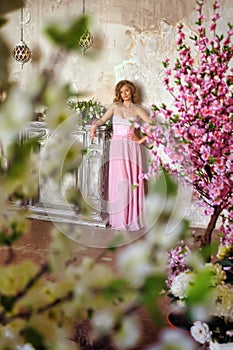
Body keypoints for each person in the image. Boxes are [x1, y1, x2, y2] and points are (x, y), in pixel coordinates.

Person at [90, 80, 152, 231]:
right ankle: (119, 219)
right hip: (117, 147)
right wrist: (94, 125)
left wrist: (141, 139)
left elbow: (155, 126)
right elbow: (103, 120)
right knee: (119, 182)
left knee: (131, 182)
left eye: (126, 91)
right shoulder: (114, 106)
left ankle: (132, 219)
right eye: (121, 92)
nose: (124, 94)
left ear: (131, 91)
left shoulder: (138, 110)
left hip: (131, 148)